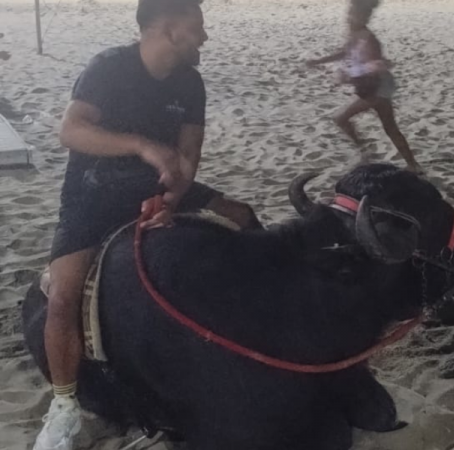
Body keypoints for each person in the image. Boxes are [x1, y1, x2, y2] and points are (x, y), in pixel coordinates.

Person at [33, 0, 261, 448]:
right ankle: (63, 407)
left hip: (157, 189)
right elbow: (71, 131)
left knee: (241, 218)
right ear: (168, 30)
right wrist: (140, 145)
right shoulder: (109, 67)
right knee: (64, 294)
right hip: (92, 194)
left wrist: (172, 199)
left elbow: (188, 156)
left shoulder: (190, 82)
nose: (205, 38)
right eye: (197, 28)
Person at [305, 0, 422, 173]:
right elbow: (345, 52)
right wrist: (319, 61)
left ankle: (365, 152)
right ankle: (413, 165)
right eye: (349, 12)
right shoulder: (355, 33)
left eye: (353, 13)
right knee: (390, 127)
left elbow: (374, 69)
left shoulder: (369, 39)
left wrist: (349, 77)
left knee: (340, 118)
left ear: (364, 16)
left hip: (377, 87)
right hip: (377, 86)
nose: (348, 16)